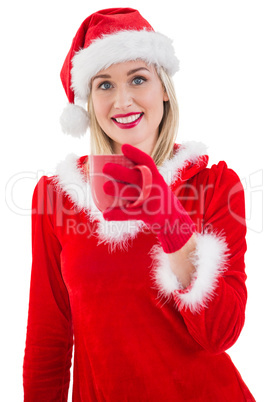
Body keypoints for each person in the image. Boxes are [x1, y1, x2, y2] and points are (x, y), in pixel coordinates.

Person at [23, 7, 256, 401]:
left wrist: (169, 216)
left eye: (138, 79)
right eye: (105, 85)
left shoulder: (215, 185)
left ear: (163, 87)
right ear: (88, 101)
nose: (123, 100)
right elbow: (49, 337)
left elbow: (220, 335)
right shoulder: (57, 197)